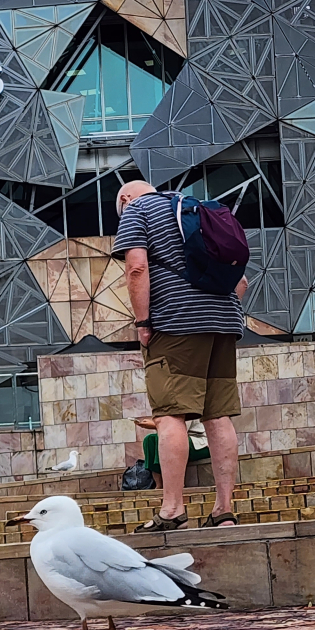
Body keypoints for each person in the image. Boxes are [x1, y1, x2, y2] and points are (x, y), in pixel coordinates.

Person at [113, 181, 248, 531]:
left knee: (170, 414)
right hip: (224, 322)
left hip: (176, 323)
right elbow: (241, 281)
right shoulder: (198, 208)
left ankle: (172, 510)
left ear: (126, 198)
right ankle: (224, 511)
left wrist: (143, 322)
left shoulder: (137, 211)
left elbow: (137, 268)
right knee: (217, 415)